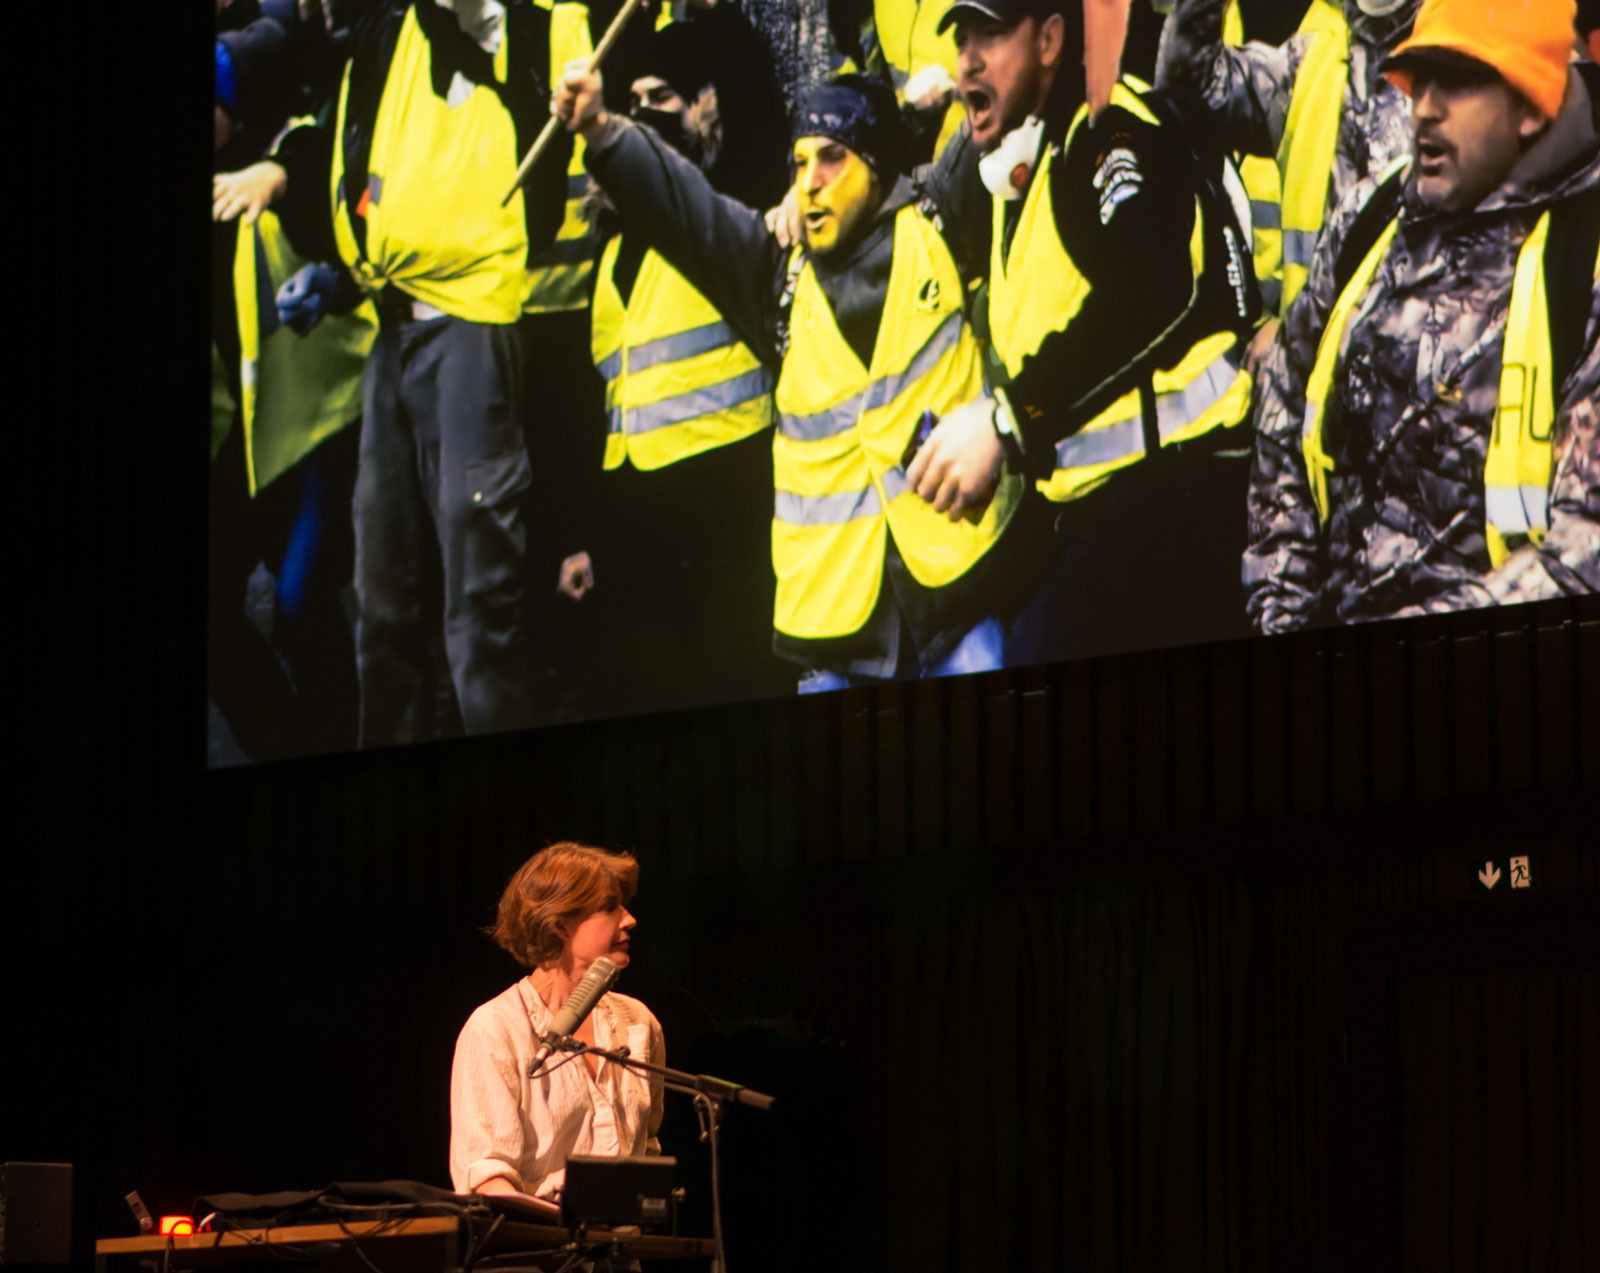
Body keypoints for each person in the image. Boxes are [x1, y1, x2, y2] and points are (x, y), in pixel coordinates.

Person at [555, 68, 1031, 690]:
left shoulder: (939, 218)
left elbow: (1006, 102)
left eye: (833, 158)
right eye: (799, 163)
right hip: (836, 633)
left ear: (876, 167)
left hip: (959, 603)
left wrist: (941, 95)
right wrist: (600, 129)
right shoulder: (772, 276)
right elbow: (684, 208)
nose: (810, 183)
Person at [912, 0, 1260, 662]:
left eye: (992, 35)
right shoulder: (1025, 168)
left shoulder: (1105, 131)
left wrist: (1006, 422)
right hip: (1101, 515)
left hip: (1177, 506)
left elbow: (1153, 290)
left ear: (1049, 41)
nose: (968, 62)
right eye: (960, 42)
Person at [1243, 0, 1600, 630]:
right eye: (1420, 80)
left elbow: (1584, 552)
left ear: (1530, 105)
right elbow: (1284, 413)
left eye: (1457, 81)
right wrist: (1283, 614)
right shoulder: (1370, 214)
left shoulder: (1584, 262)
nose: (1424, 108)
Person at [286, 0, 571, 745]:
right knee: (383, 602)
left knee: (478, 609)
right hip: (394, 325)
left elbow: (493, 33)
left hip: (468, 320)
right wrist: (339, 278)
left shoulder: (481, 17)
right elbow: (388, 179)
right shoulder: (384, 30)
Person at [1156, 0, 1419, 342]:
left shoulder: (1467, 74)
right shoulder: (1315, 60)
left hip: (1419, 365)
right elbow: (1190, 91)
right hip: (1307, 360)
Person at [450, 841, 664, 1200]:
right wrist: (566, 1218)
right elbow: (487, 1180)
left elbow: (647, 1148)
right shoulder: (495, 1029)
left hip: (622, 1238)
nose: (629, 919)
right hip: (536, 1237)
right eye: (610, 907)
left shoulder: (637, 1023)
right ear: (560, 925)